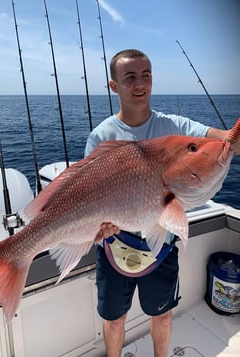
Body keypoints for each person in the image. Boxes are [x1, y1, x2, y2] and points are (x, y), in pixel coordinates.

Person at [85, 49, 239, 357]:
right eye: (130, 77)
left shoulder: (176, 127)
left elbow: (226, 142)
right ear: (114, 86)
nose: (140, 83)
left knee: (163, 314)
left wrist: (233, 136)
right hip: (114, 246)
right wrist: (97, 229)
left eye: (146, 75)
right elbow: (88, 195)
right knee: (114, 321)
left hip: (162, 245)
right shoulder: (101, 136)